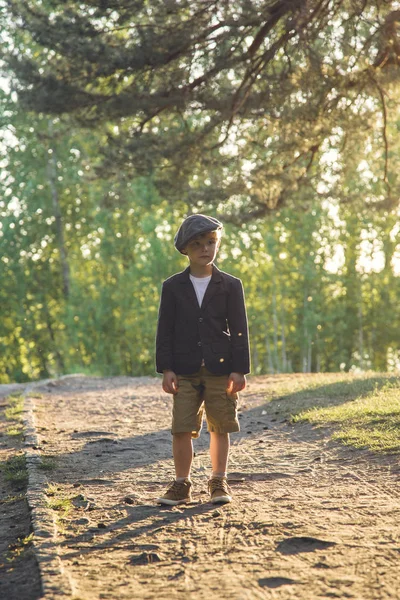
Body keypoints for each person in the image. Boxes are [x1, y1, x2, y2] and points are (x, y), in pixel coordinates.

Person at [155, 214, 250, 506]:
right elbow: (165, 329)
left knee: (220, 425)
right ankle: (181, 484)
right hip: (184, 369)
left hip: (221, 368)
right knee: (181, 427)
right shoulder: (173, 287)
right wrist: (167, 368)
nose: (205, 249)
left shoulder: (231, 285)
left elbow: (239, 329)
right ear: (185, 249)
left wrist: (239, 369)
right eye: (197, 244)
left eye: (210, 242)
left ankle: (218, 480)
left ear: (217, 244)